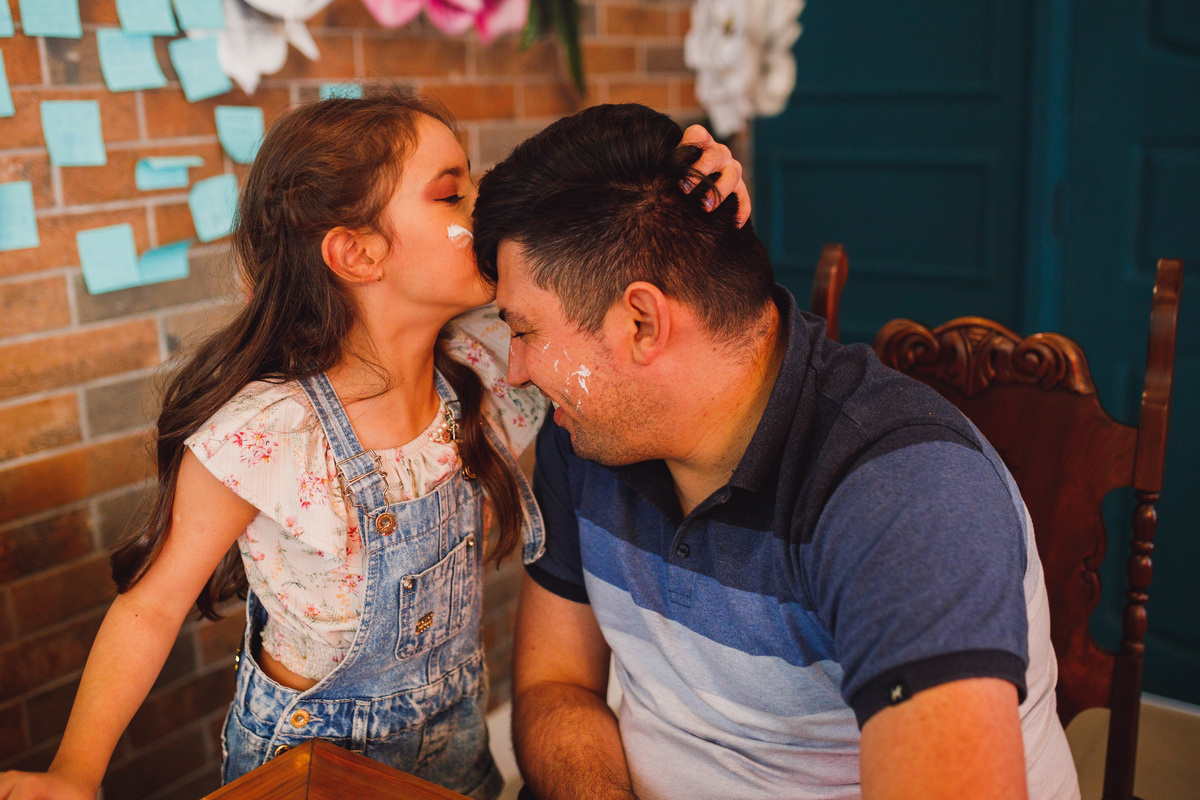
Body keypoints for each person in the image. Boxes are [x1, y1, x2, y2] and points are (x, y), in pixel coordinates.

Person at [0, 92, 747, 800]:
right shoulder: (271, 434)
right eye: (452, 193)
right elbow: (149, 610)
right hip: (306, 773)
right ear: (357, 254)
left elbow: (622, 265)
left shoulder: (497, 364)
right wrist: (74, 772)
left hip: (456, 764)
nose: (486, 205)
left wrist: (679, 177)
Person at [473, 103, 1081, 800]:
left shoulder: (906, 495)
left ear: (642, 322)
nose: (514, 369)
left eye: (522, 331)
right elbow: (558, 683)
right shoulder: (585, 434)